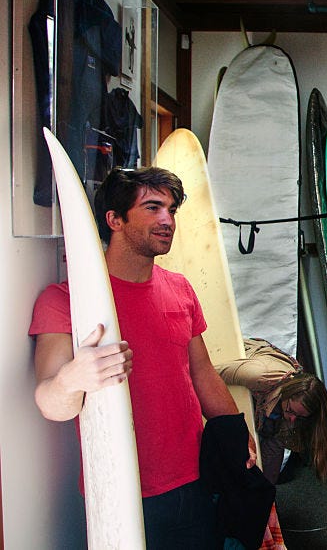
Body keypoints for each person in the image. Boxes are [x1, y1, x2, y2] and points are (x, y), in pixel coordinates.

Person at [30, 167, 257, 549]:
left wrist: (236, 434)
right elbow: (50, 402)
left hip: (196, 477)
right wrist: (73, 379)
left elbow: (201, 373)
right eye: (153, 208)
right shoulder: (65, 301)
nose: (167, 220)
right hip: (122, 488)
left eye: (171, 209)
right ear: (114, 219)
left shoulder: (180, 288)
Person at [216, 338, 327, 484]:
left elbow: (275, 449)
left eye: (300, 417)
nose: (292, 419)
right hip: (229, 358)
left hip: (269, 400)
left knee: (266, 480)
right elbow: (208, 374)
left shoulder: (298, 408)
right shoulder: (259, 375)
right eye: (290, 410)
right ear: (287, 393)